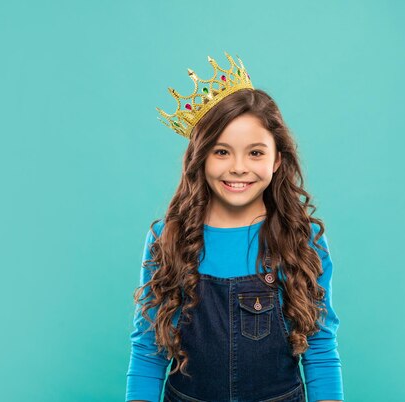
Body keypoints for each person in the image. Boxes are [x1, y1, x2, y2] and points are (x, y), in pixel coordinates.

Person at [126, 52, 344, 402]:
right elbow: (149, 349)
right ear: (200, 158)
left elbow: (319, 347)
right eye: (221, 151)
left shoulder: (301, 240)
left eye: (255, 153)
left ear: (277, 160)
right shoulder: (168, 239)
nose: (239, 167)